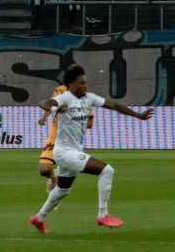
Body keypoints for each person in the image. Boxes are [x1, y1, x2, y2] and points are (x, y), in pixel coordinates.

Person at [29, 66, 151, 232]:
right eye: (81, 83)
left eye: (86, 83)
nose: (85, 86)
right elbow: (43, 103)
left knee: (63, 190)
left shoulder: (88, 98)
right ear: (70, 84)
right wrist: (55, 108)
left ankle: (39, 218)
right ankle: (102, 215)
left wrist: (139, 115)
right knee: (107, 170)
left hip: (74, 151)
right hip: (64, 152)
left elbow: (114, 105)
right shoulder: (65, 98)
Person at [35, 63, 88, 207]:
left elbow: (89, 124)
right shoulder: (60, 90)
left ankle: (54, 198)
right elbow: (51, 105)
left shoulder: (85, 97)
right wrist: (45, 117)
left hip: (72, 140)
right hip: (56, 134)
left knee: (68, 179)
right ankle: (53, 177)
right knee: (44, 170)